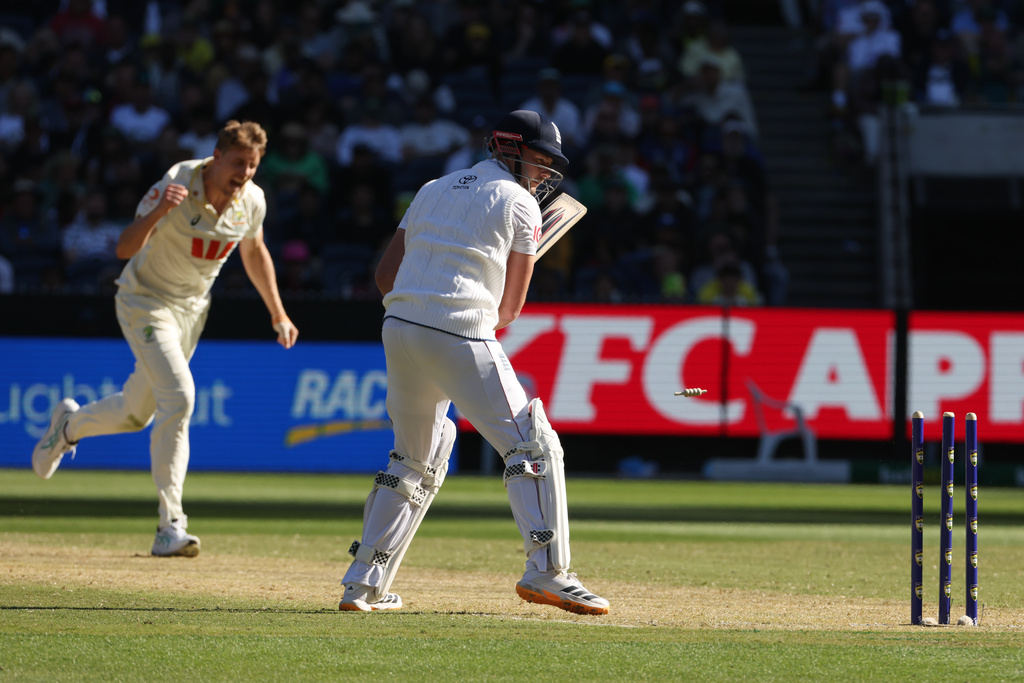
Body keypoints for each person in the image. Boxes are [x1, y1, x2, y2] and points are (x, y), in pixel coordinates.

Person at [338, 110, 609, 616]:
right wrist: (468, 314)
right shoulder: (521, 202)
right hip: (458, 329)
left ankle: (363, 585)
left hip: (398, 329)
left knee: (414, 457)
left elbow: (384, 276)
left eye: (552, 164)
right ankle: (549, 572)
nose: (547, 172)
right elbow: (509, 309)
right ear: (509, 148)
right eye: (540, 159)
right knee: (532, 441)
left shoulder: (431, 187)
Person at [31, 120, 299, 557]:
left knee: (137, 413)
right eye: (237, 164)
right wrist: (158, 213)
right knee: (180, 398)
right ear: (215, 157)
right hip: (144, 301)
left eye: (252, 166)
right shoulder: (178, 180)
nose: (244, 175)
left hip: (192, 312)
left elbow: (254, 251)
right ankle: (170, 524)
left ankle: (68, 427)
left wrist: (278, 313)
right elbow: (123, 248)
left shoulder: (252, 202)